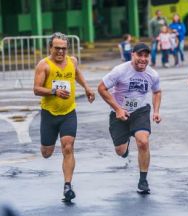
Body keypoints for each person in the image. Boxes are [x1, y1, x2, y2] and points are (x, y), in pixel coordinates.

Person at [33, 32, 95, 201]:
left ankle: (67, 185)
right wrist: (54, 91)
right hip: (49, 114)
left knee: (68, 146)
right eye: (57, 48)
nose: (61, 52)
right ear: (50, 48)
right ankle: (46, 146)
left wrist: (87, 88)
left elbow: (76, 74)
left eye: (64, 49)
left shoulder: (72, 61)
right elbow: (36, 89)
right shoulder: (44, 65)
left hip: (69, 112)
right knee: (47, 153)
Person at [97, 42, 162, 194]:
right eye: (140, 55)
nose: (143, 59)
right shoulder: (120, 71)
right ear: (132, 54)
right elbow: (101, 88)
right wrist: (118, 109)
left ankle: (143, 179)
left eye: (146, 56)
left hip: (140, 110)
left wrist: (156, 111)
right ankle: (124, 148)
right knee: (120, 151)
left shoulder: (152, 74)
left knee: (143, 141)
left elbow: (157, 92)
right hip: (119, 112)